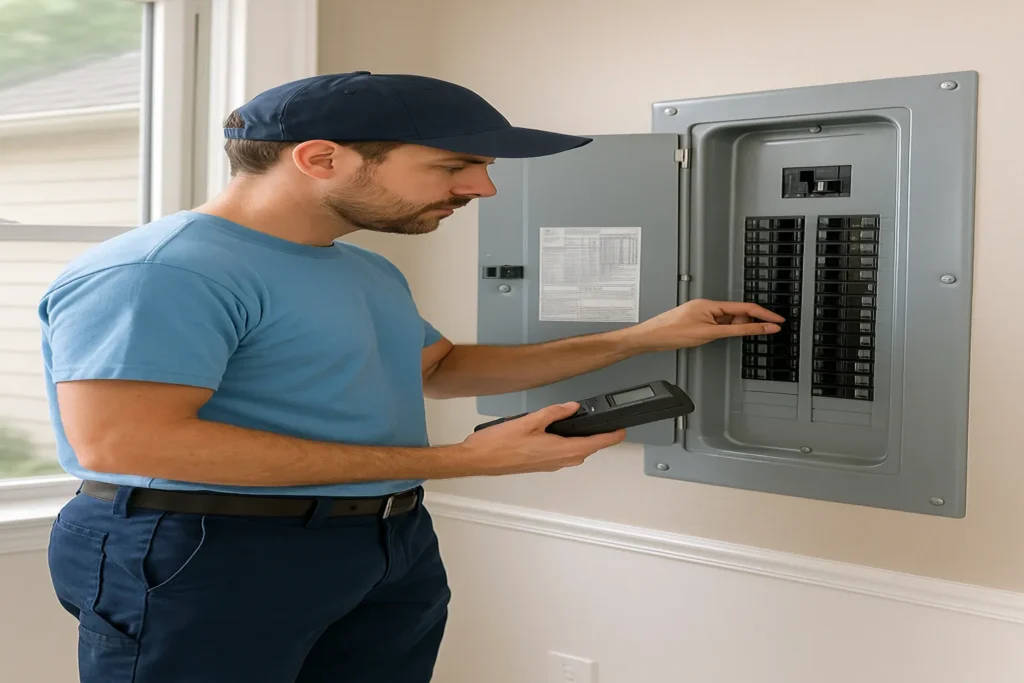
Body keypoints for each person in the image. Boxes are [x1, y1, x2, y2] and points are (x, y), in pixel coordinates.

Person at [40, 71, 784, 683]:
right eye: (454, 165)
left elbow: (442, 367)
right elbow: (126, 443)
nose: (482, 189)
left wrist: (642, 338)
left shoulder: (364, 268)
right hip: (205, 548)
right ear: (320, 158)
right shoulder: (164, 271)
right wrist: (461, 462)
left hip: (385, 544)